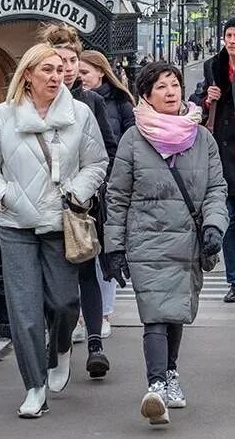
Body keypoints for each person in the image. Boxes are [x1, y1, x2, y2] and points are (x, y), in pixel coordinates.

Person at [0, 43, 108, 418]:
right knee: (25, 311)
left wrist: (76, 194)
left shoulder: (79, 114)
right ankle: (34, 386)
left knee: (65, 303)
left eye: (58, 69)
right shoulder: (3, 116)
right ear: (27, 76)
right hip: (14, 223)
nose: (55, 75)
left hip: (60, 221)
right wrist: (4, 197)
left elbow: (96, 162)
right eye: (46, 70)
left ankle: (61, 346)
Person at [104, 62, 228, 426]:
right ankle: (156, 385)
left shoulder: (201, 137)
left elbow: (216, 189)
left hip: (188, 241)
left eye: (174, 84)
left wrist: (214, 227)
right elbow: (117, 196)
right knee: (156, 314)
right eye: (161, 87)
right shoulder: (133, 139)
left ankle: (170, 372)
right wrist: (114, 247)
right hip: (146, 241)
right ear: (146, 95)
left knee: (174, 313)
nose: (171, 91)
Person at [39, 24, 116, 380]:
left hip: (83, 205)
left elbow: (107, 152)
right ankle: (58, 338)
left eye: (73, 61)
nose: (68, 68)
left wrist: (88, 186)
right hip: (43, 205)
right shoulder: (33, 104)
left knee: (87, 269)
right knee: (54, 282)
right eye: (61, 61)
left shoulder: (91, 103)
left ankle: (96, 343)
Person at [190, 16, 235, 303]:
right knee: (227, 220)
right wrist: (208, 98)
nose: (231, 41)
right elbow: (197, 106)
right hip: (220, 151)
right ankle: (234, 281)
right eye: (228, 35)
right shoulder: (213, 67)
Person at [78, 50, 137, 337]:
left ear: (101, 72)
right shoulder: (73, 101)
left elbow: (127, 143)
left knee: (106, 249)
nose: (80, 77)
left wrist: (116, 179)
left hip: (109, 187)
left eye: (85, 72)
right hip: (82, 188)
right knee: (82, 248)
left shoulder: (120, 102)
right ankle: (83, 314)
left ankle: (104, 313)